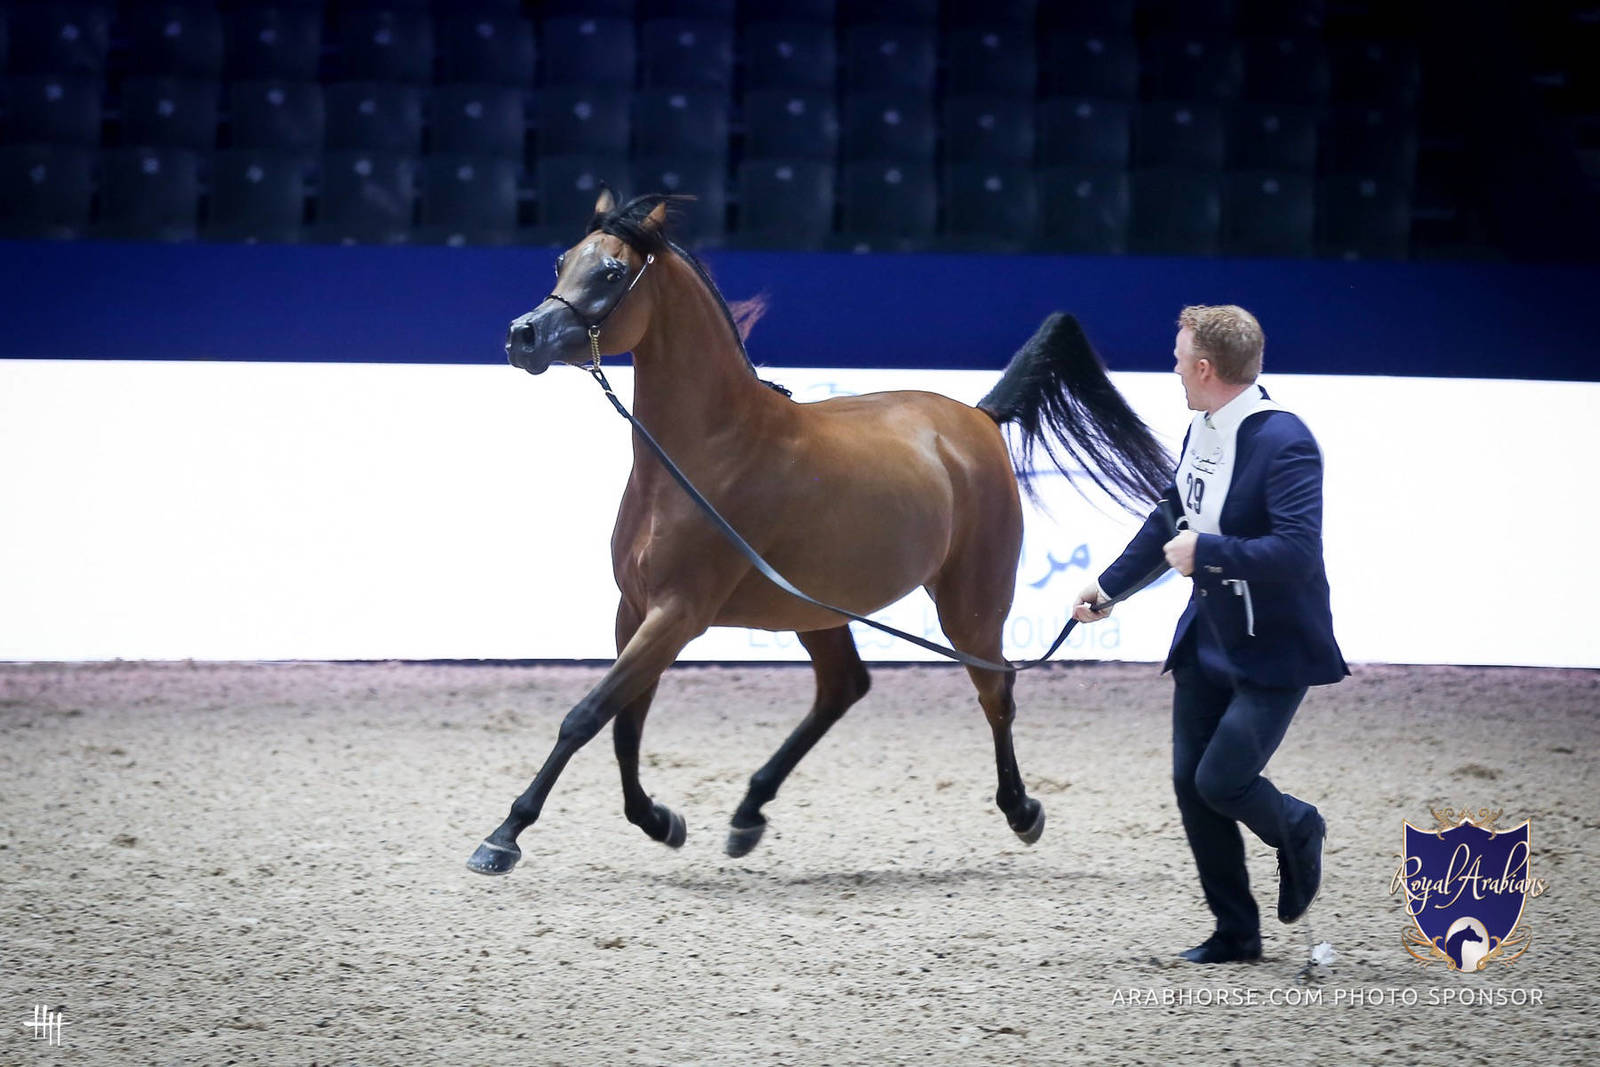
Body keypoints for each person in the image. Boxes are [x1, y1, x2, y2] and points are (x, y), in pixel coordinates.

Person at [1072, 305, 1347, 964]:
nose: (1173, 367)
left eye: (1177, 357)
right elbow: (1171, 516)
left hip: (1273, 649)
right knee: (1191, 783)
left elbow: (1297, 552)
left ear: (1203, 367)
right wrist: (1108, 587)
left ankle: (1299, 826)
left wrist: (1210, 553)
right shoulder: (1205, 427)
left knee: (1223, 779)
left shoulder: (1285, 441)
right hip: (1209, 638)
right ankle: (1236, 931)